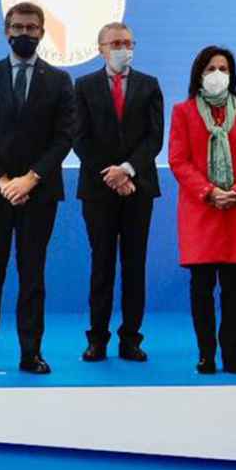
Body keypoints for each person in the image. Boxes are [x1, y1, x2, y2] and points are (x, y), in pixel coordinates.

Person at [0, 1, 76, 376]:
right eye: (17, 27)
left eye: (31, 28)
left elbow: (64, 137)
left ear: (42, 32)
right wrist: (3, 181)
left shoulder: (60, 81)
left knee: (33, 275)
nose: (24, 34)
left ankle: (31, 352)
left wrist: (30, 179)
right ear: (5, 31)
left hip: (39, 192)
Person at [169, 46, 236, 374]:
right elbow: (178, 161)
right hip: (202, 211)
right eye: (211, 68)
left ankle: (230, 353)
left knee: (235, 290)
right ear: (199, 74)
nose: (217, 74)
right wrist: (209, 192)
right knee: (202, 289)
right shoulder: (183, 112)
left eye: (223, 68)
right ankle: (206, 354)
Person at [71, 22, 163, 363]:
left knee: (134, 265)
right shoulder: (82, 86)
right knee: (102, 264)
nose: (123, 48)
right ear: (101, 48)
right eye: (115, 43)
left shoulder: (149, 85)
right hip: (98, 189)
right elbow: (79, 137)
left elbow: (154, 137)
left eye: (128, 42)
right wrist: (110, 174)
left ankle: (131, 339)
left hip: (139, 187)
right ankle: (97, 339)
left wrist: (127, 170)